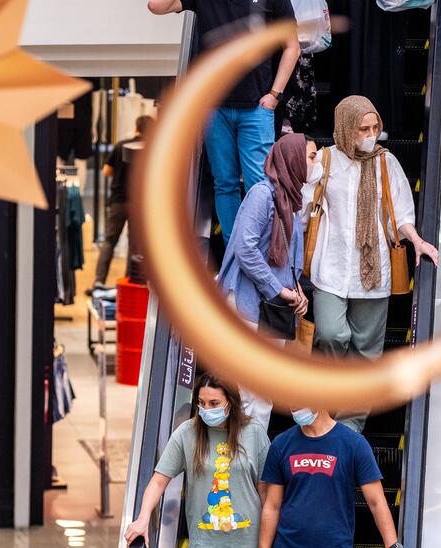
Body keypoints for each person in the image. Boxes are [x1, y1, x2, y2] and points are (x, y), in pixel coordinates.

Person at [301, 95, 439, 433]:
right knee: (333, 334)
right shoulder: (326, 160)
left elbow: (402, 212)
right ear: (346, 128)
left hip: (373, 270)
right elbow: (305, 207)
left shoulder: (386, 162)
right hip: (330, 268)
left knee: (366, 354)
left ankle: (349, 430)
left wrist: (417, 240)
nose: (371, 134)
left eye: (375, 127)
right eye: (364, 128)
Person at [148, 0, 301, 244]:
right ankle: (235, 253)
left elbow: (292, 47)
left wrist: (274, 95)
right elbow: (156, 6)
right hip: (214, 107)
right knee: (225, 183)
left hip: (255, 107)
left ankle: (258, 253)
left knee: (259, 186)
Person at [218, 133, 321, 430]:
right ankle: (251, 469)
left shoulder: (291, 199)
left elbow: (289, 260)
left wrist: (297, 292)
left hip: (271, 309)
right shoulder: (263, 195)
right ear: (292, 159)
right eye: (311, 157)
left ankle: (252, 466)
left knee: (260, 394)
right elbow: (245, 249)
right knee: (255, 394)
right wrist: (279, 290)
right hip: (250, 306)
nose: (315, 163)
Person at [123, 373, 270, 547]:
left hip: (249, 541)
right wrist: (143, 518)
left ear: (231, 402)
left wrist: (266, 541)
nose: (207, 409)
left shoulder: (253, 432)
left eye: (214, 403)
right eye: (202, 403)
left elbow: (265, 492)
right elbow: (158, 482)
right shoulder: (187, 433)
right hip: (203, 542)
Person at [259, 407, 401, 548]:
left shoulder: (354, 443)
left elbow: (376, 502)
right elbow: (272, 506)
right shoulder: (280, 444)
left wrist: (393, 545)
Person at [88, 115, 154, 294]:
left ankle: (99, 281)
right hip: (138, 204)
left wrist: (120, 176)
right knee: (134, 243)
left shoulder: (120, 145)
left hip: (118, 200)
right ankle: (128, 282)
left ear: (136, 127)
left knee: (109, 241)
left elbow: (107, 170)